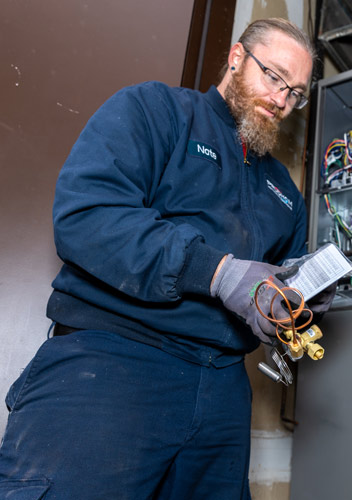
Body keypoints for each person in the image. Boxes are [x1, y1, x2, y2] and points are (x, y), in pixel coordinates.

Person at [0, 17, 335, 499]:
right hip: (113, 364)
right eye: (274, 77)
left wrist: (301, 299)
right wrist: (218, 273)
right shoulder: (156, 110)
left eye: (296, 93)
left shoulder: (283, 188)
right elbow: (87, 215)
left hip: (223, 388)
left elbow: (280, 275)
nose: (282, 100)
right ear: (237, 59)